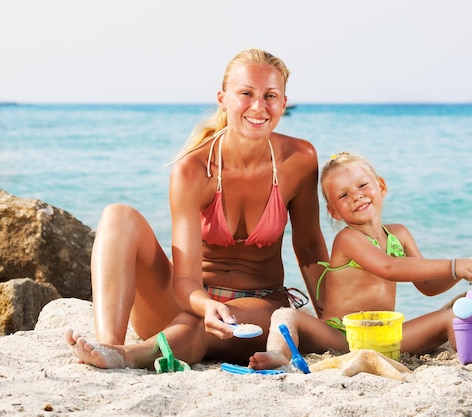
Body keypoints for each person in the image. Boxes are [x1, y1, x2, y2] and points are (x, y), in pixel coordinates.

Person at [64, 48, 329, 369]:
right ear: (223, 98)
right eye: (246, 93)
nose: (258, 106)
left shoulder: (299, 159)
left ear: (283, 103)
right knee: (118, 216)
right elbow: (185, 278)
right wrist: (204, 305)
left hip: (257, 310)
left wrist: (332, 320)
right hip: (185, 300)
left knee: (195, 327)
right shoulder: (194, 169)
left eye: (270, 96)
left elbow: (310, 247)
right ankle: (110, 346)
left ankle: (130, 356)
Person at [249, 152, 472, 370]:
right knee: (283, 315)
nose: (357, 196)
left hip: (386, 337)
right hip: (340, 336)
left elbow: (427, 285)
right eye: (344, 195)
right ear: (334, 212)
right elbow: (390, 268)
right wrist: (453, 264)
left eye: (363, 185)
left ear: (381, 186)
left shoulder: (399, 234)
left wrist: (459, 275)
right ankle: (279, 355)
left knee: (452, 315)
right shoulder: (348, 240)